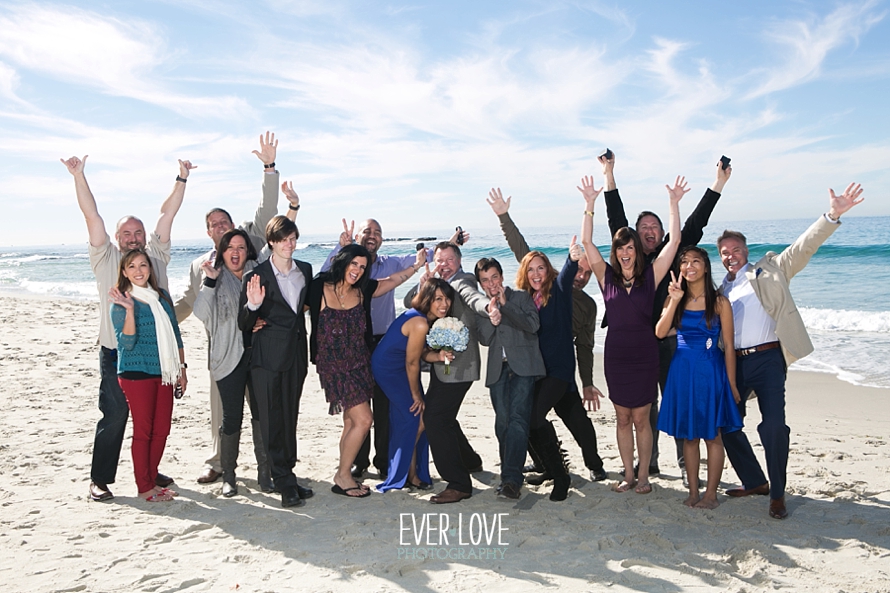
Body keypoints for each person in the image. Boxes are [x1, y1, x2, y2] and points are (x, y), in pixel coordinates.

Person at [718, 183, 864, 520]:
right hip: (734, 364)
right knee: (726, 424)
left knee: (773, 426)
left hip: (768, 359)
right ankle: (755, 481)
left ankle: (778, 495)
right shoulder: (721, 288)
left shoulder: (770, 269)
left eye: (736, 249)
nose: (730, 256)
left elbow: (803, 247)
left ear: (745, 250)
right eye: (724, 252)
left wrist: (832, 216)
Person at [62, 154, 192, 502]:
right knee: (116, 414)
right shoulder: (104, 257)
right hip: (117, 352)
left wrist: (181, 178)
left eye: (138, 232)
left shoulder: (155, 257)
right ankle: (100, 479)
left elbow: (168, 214)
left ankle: (148, 472)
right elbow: (92, 215)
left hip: (159, 355)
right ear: (117, 237)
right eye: (126, 233)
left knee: (155, 420)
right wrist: (79, 175)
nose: (133, 238)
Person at [603, 152, 730, 481]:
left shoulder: (669, 257)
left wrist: (717, 183)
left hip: (672, 342)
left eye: (653, 226)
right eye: (642, 227)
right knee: (645, 406)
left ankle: (686, 467)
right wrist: (609, 174)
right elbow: (615, 219)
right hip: (636, 346)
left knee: (677, 400)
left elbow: (696, 223)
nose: (648, 231)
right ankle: (650, 463)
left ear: (661, 232)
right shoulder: (629, 264)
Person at [175, 131, 289, 486]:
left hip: (257, 345)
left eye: (225, 223)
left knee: (260, 411)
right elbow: (188, 303)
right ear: (208, 233)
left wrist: (269, 168)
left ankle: (266, 465)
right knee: (222, 411)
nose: (221, 229)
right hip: (221, 348)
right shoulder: (201, 265)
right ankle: (220, 463)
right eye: (214, 226)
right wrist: (159, 316)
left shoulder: (250, 245)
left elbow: (267, 209)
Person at [487, 189, 608, 483]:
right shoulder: (530, 292)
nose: (582, 275)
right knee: (525, 419)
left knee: (578, 422)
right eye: (580, 269)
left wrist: (588, 382)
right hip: (533, 370)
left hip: (558, 372)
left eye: (588, 273)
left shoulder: (577, 299)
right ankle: (546, 464)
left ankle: (594, 464)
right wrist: (504, 216)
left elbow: (585, 345)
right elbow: (522, 250)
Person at [580, 174, 686, 495]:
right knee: (622, 419)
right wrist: (589, 204)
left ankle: (643, 477)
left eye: (630, 247)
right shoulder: (606, 277)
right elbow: (587, 243)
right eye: (620, 248)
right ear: (615, 252)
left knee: (642, 419)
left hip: (644, 357)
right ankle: (628, 475)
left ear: (637, 250)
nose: (625, 253)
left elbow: (676, 242)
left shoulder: (651, 277)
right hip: (616, 359)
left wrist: (673, 204)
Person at [321, 219, 435, 480]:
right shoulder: (344, 271)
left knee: (383, 405)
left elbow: (416, 262)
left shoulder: (388, 264)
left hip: (384, 343)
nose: (372, 236)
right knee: (356, 407)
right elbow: (323, 278)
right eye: (367, 231)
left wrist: (449, 245)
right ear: (357, 236)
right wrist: (339, 248)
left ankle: (383, 460)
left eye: (377, 232)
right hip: (351, 348)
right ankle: (356, 463)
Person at [307, 244, 425, 498]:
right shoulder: (319, 287)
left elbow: (392, 280)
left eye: (363, 267)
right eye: (354, 264)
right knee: (364, 420)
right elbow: (291, 307)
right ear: (343, 262)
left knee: (351, 421)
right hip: (334, 367)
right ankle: (343, 475)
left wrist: (416, 266)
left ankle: (344, 473)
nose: (358, 271)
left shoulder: (364, 290)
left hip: (361, 363)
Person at [655, 247, 743, 509]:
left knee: (713, 436)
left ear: (706, 266)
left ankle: (711, 494)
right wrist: (673, 300)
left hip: (710, 372)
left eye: (695, 261)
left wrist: (732, 384)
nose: (689, 266)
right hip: (681, 372)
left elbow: (727, 345)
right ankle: (694, 493)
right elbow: (660, 332)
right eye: (684, 262)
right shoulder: (677, 299)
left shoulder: (719, 302)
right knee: (689, 436)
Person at [403, 241, 489, 504]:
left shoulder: (463, 281)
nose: (445, 265)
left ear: (459, 262)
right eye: (440, 260)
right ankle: (471, 461)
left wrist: (488, 307)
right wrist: (423, 283)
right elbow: (411, 302)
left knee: (435, 419)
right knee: (445, 417)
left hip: (459, 368)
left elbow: (472, 297)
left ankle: (458, 483)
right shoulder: (438, 283)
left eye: (450, 260)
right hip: (442, 367)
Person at [238, 215, 313, 508]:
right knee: (270, 420)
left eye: (293, 239)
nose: (289, 245)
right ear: (271, 242)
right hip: (266, 358)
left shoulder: (304, 270)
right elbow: (244, 322)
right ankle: (282, 481)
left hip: (296, 355)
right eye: (283, 240)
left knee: (289, 416)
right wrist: (254, 305)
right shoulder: (255, 276)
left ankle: (289, 473)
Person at [109, 250, 186, 502]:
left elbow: (174, 335)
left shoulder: (161, 298)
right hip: (135, 373)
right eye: (132, 266)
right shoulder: (121, 301)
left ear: (150, 269)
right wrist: (130, 310)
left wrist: (182, 369)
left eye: (143, 265)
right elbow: (127, 343)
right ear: (124, 272)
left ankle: (152, 481)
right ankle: (144, 488)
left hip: (164, 372)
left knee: (162, 429)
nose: (139, 270)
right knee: (144, 431)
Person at [192, 229, 262, 497]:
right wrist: (209, 282)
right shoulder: (215, 276)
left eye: (242, 247)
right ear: (222, 251)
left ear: (248, 252)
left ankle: (264, 473)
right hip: (226, 357)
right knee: (232, 417)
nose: (236, 252)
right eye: (230, 247)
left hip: (256, 357)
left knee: (261, 415)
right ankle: (229, 476)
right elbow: (200, 313)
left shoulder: (256, 273)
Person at [372, 279, 456, 493]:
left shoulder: (425, 319)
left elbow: (418, 353)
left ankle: (411, 472)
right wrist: (416, 394)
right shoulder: (420, 322)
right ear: (427, 299)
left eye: (447, 298)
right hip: (389, 368)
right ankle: (405, 474)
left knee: (413, 418)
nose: (444, 304)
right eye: (438, 299)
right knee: (415, 417)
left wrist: (437, 356)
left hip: (402, 365)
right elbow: (411, 362)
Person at [475, 258, 545, 500]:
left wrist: (506, 306)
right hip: (498, 370)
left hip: (523, 368)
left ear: (502, 277)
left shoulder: (521, 297)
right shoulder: (482, 306)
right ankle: (509, 475)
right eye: (485, 280)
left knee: (517, 420)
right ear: (481, 284)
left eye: (494, 277)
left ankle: (511, 480)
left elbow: (533, 325)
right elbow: (484, 338)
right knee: (502, 423)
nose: (491, 283)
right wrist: (492, 313)